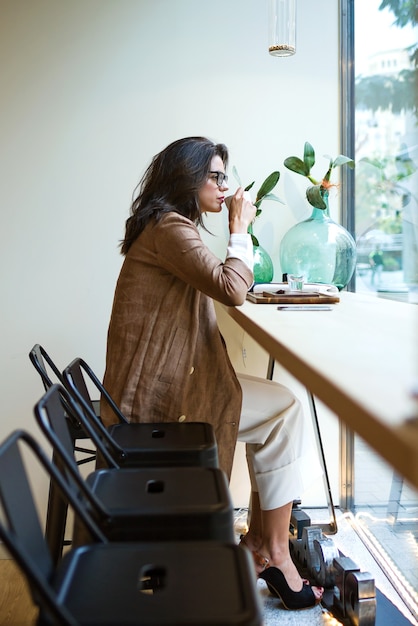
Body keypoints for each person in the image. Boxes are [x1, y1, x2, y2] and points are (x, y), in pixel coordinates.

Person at [101, 136, 323, 610]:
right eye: (216, 176)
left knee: (281, 407)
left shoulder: (166, 226)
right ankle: (272, 551)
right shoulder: (169, 229)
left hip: (161, 382)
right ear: (188, 176)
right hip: (158, 397)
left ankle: (265, 547)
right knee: (285, 410)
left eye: (226, 176)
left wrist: (235, 233)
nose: (225, 186)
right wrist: (240, 226)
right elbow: (232, 288)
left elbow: (223, 282)